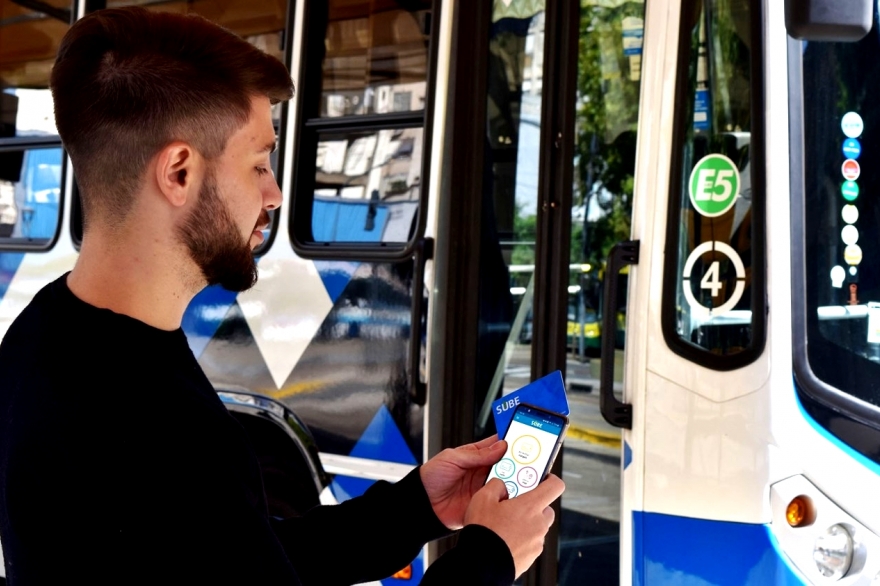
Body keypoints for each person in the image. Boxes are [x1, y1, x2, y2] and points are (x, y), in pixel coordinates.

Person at [0, 7, 565, 585]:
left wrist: (417, 507)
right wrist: (491, 558)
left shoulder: (41, 336)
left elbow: (234, 553)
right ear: (178, 173)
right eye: (259, 164)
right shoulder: (164, 425)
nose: (273, 194)